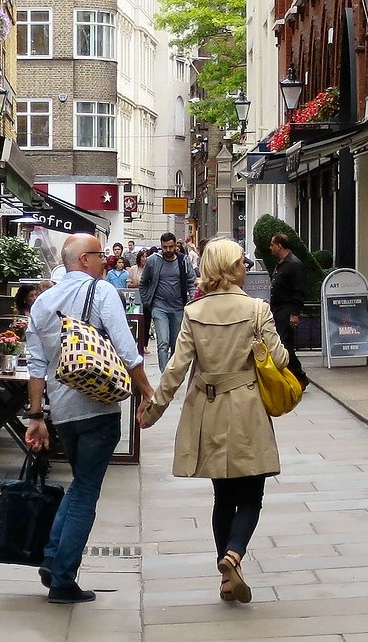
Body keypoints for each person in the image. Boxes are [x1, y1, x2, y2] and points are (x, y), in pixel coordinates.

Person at [137, 239, 289, 605]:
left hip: (209, 409)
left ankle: (226, 579)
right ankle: (234, 554)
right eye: (241, 262)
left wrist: (153, 410)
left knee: (223, 496)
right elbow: (280, 359)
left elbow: (175, 368)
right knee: (252, 494)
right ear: (229, 268)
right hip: (248, 407)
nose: (245, 267)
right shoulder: (256, 309)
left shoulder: (194, 312)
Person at [24, 234, 153, 604]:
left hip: (63, 412)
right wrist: (147, 391)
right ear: (83, 259)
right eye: (99, 254)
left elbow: (36, 366)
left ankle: (52, 556)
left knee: (80, 483)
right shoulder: (102, 293)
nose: (105, 261)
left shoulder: (42, 303)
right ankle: (63, 578)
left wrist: (37, 417)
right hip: (98, 408)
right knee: (85, 492)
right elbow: (128, 350)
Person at [140, 233, 193, 369]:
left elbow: (191, 282)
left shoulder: (183, 261)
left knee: (176, 343)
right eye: (165, 247)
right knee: (163, 341)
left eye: (170, 247)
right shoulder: (153, 261)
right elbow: (143, 282)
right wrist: (147, 301)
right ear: (161, 246)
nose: (168, 250)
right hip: (159, 307)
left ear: (175, 246)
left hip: (178, 308)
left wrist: (192, 300)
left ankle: (172, 371)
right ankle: (164, 374)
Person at [267, 234, 311, 382]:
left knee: (285, 345)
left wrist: (294, 313)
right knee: (282, 343)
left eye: (272, 245)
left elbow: (299, 290)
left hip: (287, 309)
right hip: (279, 309)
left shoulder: (293, 264)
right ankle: (293, 375)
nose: (270, 248)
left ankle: (299, 376)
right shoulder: (282, 263)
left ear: (279, 245)